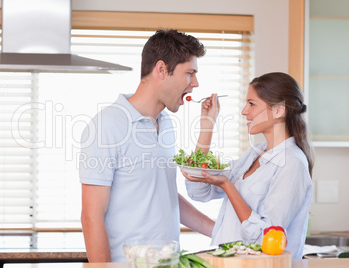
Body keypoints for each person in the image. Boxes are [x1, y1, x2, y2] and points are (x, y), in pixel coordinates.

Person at [79, 29, 217, 262]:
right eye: (189, 73)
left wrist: (222, 231)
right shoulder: (107, 125)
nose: (195, 83)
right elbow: (91, 216)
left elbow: (163, 195)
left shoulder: (166, 125)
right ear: (161, 70)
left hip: (168, 263)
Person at [183, 72, 314, 259]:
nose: (244, 111)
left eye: (252, 104)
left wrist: (227, 186)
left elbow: (266, 239)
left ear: (278, 110)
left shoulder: (292, 163)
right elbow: (199, 190)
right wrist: (207, 124)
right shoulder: (253, 154)